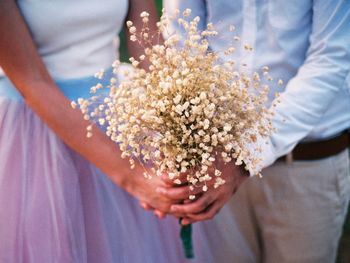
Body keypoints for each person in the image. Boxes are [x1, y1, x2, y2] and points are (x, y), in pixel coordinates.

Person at [0, 1, 194, 262]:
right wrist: (135, 179)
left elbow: (146, 39)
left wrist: (183, 131)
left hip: (115, 113)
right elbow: (33, 83)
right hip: (31, 134)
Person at [159, 1, 350, 262]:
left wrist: (244, 157)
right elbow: (181, 40)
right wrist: (183, 138)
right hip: (215, 162)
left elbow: (331, 58)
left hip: (305, 163)